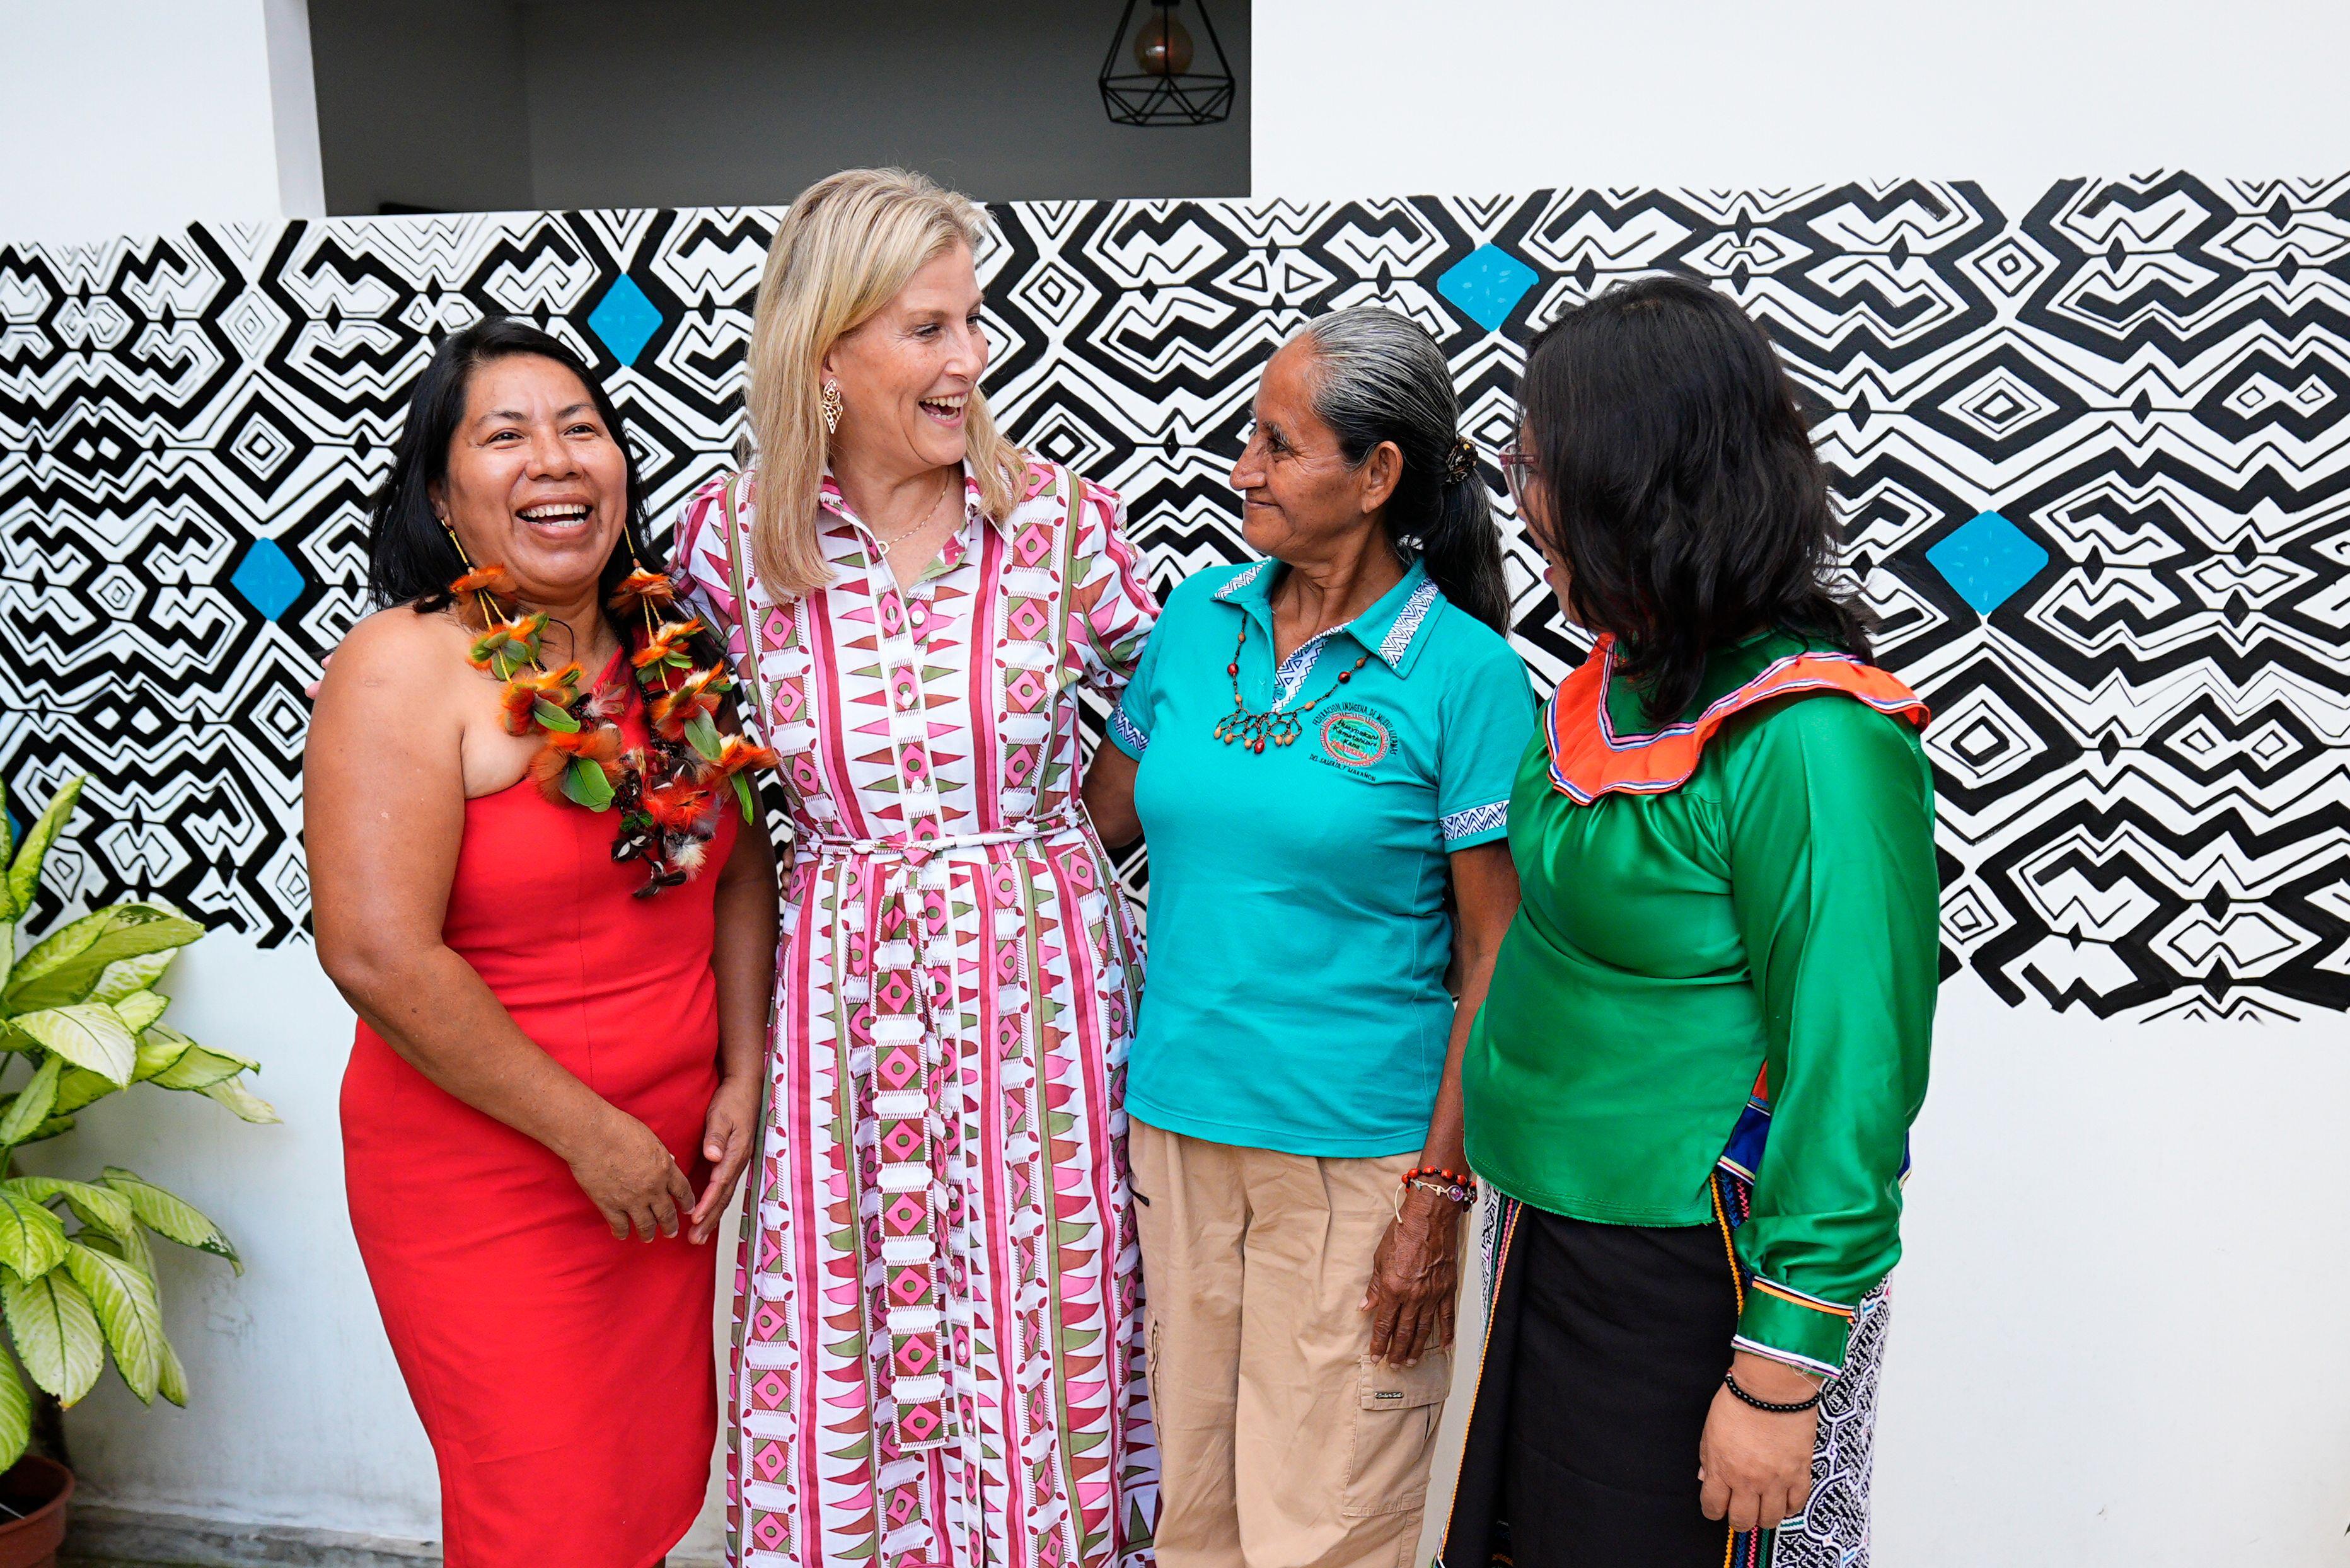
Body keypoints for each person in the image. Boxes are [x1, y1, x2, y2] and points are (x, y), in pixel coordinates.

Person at [666, 168, 1161, 1568]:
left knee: (1046, 1336)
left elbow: (1168, 719)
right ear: (827, 351)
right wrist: (741, 1057)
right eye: (929, 329)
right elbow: (722, 824)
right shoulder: (730, 544)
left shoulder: (1058, 524)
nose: (969, 360)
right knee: (859, 1350)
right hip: (839, 1021)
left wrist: (1064, 849)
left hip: (1046, 1018)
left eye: (972, 322)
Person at [1440, 274, 1938, 1568]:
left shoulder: (1814, 739)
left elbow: (1850, 1071)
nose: (1521, 493)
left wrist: (1778, 1374)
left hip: (1695, 1269)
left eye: (1541, 463)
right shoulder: (1624, 681)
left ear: (1635, 479)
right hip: (1556, 1232)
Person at [308, 318, 780, 1567]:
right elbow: (377, 954)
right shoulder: (405, 664)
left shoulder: (669, 649)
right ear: (443, 494)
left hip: (664, 1172)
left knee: (639, 1492)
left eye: (580, 428)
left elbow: (736, 868)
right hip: (494, 1174)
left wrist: (743, 1066)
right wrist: (591, 1134)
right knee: (541, 1517)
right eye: (504, 434)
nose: (554, 459)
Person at [1084, 306, 1535, 1568]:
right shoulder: (1196, 621)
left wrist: (1434, 1201)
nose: (1243, 471)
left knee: (1325, 1530)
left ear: (1377, 475)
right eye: (1248, 438)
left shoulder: (1463, 675)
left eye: (1279, 447)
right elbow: (1094, 820)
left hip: (1358, 1169)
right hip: (1177, 1138)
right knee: (1197, 1517)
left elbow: (1491, 959)